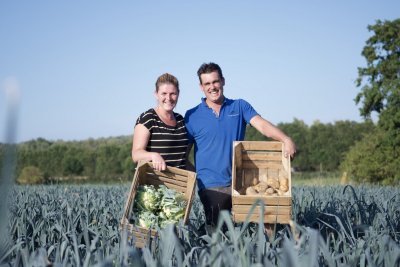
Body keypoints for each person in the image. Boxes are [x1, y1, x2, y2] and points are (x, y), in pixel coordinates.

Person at [184, 62, 296, 228]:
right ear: (201, 87)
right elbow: (183, 154)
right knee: (218, 234)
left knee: (264, 226)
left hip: (241, 183)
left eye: (215, 81)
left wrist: (285, 139)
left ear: (223, 81)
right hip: (212, 186)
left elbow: (262, 126)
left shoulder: (239, 106)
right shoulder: (192, 115)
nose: (212, 87)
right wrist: (197, 177)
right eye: (207, 83)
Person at [132, 73, 188, 171]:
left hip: (179, 184)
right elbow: (136, 155)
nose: (169, 98)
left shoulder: (181, 120)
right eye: (164, 93)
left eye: (173, 94)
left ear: (178, 94)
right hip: (153, 184)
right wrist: (154, 156)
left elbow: (182, 160)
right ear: (156, 94)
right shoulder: (148, 118)